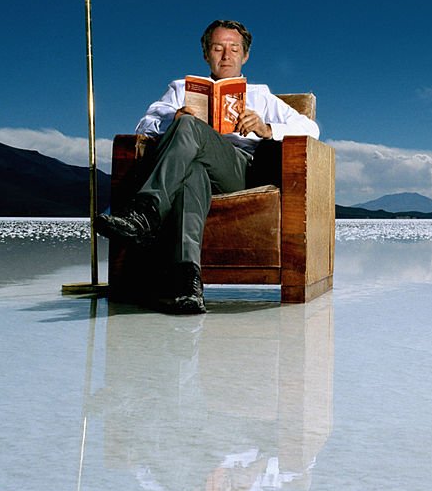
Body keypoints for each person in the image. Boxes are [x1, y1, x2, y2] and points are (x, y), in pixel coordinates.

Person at [95, 20, 319, 314]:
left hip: (237, 170)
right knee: (192, 170)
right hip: (188, 168)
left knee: (190, 129)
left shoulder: (261, 95)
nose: (226, 55)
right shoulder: (180, 89)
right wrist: (172, 118)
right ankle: (188, 284)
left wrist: (266, 128)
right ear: (205, 54)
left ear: (245, 56)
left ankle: (145, 213)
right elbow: (144, 125)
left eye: (233, 49)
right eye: (217, 48)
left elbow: (311, 129)